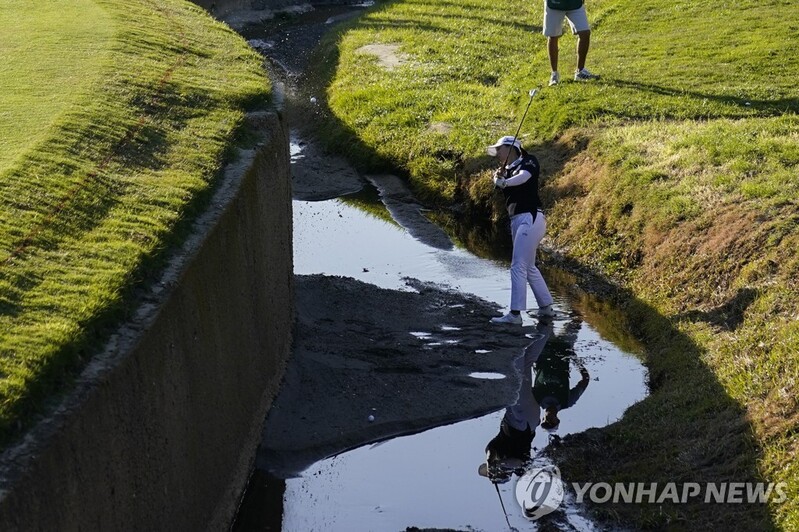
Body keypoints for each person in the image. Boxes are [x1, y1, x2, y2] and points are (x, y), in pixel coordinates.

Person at [487, 136, 555, 325]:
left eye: (499, 149)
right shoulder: (505, 171)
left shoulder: (529, 160)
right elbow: (500, 182)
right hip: (517, 220)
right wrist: (498, 178)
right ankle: (546, 307)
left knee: (517, 265)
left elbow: (524, 177)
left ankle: (515, 315)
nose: (497, 154)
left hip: (530, 218)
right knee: (529, 266)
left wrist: (505, 182)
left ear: (511, 148)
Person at [543, 0, 600, 86]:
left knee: (585, 33)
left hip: (575, 3)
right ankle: (554, 74)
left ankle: (580, 71)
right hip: (554, 4)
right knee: (553, 36)